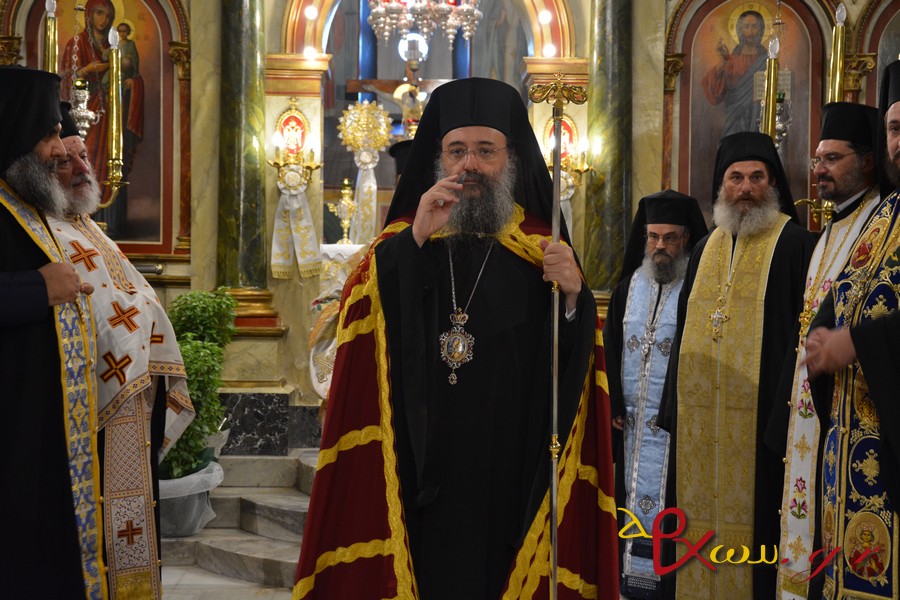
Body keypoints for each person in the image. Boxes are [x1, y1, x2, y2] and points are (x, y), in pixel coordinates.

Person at [294, 77, 618, 599]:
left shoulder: (542, 246)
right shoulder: (408, 240)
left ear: (510, 159)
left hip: (509, 456)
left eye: (486, 151)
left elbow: (570, 360)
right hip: (421, 452)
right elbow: (363, 320)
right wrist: (415, 240)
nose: (470, 165)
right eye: (457, 150)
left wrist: (574, 298)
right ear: (439, 158)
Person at [45, 102, 195, 599]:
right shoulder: (42, 231)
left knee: (130, 519)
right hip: (92, 402)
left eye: (83, 156)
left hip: (134, 394)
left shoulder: (87, 226)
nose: (82, 169)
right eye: (65, 161)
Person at [660, 131, 816, 599]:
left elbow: (801, 337)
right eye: (735, 178)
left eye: (756, 177)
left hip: (763, 429)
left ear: (773, 183)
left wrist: (783, 422)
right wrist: (672, 409)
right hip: (698, 426)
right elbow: (682, 327)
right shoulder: (705, 248)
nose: (745, 188)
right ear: (721, 185)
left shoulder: (797, 245)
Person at [0, 66, 102, 598]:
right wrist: (35, 289)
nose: (59, 149)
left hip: (41, 428)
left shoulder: (26, 204)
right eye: (49, 134)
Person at [774, 101, 880, 599]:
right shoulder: (828, 230)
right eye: (818, 159)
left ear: (868, 160)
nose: (820, 170)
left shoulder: (880, 225)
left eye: (833, 159)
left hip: (854, 407)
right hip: (810, 405)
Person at [803, 59, 900, 600]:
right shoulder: (886, 214)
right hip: (852, 445)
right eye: (894, 128)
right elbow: (846, 294)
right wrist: (824, 335)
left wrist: (857, 342)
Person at [603, 190, 707, 599]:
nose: (660, 246)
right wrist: (613, 402)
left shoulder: (696, 291)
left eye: (669, 238)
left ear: (686, 239)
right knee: (626, 494)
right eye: (653, 237)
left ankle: (667, 581)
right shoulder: (627, 289)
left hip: (672, 429)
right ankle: (628, 578)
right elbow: (609, 348)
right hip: (630, 427)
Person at [61, 0, 144, 238]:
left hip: (109, 117)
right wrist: (88, 70)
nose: (103, 20)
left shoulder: (118, 46)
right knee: (84, 159)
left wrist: (131, 83)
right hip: (85, 114)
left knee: (108, 166)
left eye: (108, 15)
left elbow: (133, 77)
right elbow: (65, 80)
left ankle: (110, 222)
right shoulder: (76, 44)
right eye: (99, 13)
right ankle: (76, 217)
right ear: (89, 14)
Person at [702, 10, 768, 136]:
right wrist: (723, 61)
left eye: (754, 27)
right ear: (739, 30)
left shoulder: (768, 61)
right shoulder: (731, 60)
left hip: (760, 120)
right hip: (734, 120)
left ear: (761, 30)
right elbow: (714, 94)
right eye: (746, 27)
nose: (751, 32)